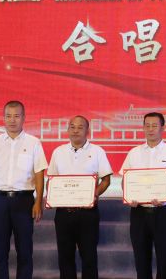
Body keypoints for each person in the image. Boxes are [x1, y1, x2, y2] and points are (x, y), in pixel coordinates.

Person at [0, 100, 48, 279]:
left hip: (24, 201)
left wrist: (38, 201)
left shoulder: (34, 143)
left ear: (24, 118)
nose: (12, 120)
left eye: (16, 116)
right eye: (8, 116)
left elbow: (39, 174)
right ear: (3, 118)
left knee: (25, 252)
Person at [120, 112, 166, 279]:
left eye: (154, 125)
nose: (150, 129)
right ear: (143, 128)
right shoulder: (134, 153)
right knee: (141, 259)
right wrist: (129, 196)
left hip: (162, 212)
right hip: (139, 212)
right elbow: (125, 180)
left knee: (164, 259)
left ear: (162, 128)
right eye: (147, 125)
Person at [46, 115, 113, 279]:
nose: (75, 131)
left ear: (87, 131)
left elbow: (106, 179)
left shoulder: (97, 151)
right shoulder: (58, 152)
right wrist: (52, 194)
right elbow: (51, 180)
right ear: (68, 129)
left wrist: (94, 193)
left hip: (87, 213)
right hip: (63, 213)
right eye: (72, 127)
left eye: (80, 127)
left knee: (89, 257)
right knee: (65, 257)